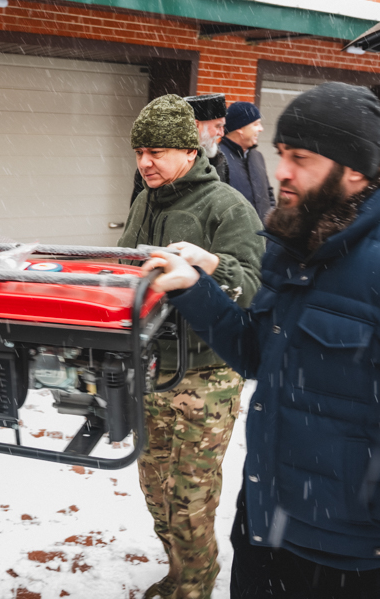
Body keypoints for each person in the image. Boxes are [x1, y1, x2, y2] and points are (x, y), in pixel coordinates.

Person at [142, 82, 380, 599]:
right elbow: (256, 354)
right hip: (265, 536)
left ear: (354, 169)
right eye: (282, 154)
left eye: (301, 158)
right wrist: (195, 289)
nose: (282, 171)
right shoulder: (297, 249)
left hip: (354, 564)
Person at [119, 94, 265, 599]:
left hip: (207, 375)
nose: (144, 162)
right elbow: (126, 273)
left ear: (187, 151)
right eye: (139, 151)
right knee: (156, 490)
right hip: (154, 368)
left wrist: (211, 264)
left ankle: (195, 588)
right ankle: (180, 570)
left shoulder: (226, 206)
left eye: (156, 151)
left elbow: (253, 287)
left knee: (190, 498)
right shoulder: (144, 200)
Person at [131, 93, 230, 204]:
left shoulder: (221, 161)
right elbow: (140, 211)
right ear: (196, 125)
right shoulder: (153, 168)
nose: (222, 133)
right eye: (218, 126)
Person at [218, 101, 275, 221]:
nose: (261, 129)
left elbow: (269, 194)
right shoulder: (216, 159)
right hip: (235, 237)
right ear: (240, 128)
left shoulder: (257, 156)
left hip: (264, 237)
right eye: (256, 124)